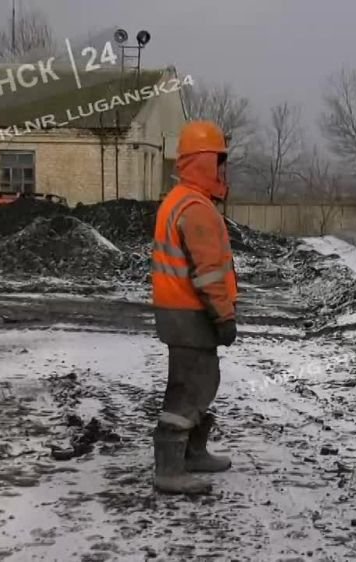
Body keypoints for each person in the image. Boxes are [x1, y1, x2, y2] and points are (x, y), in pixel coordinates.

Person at [150, 120, 239, 495]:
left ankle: (192, 452)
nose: (222, 170)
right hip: (191, 314)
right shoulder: (196, 207)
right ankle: (170, 468)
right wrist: (224, 315)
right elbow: (208, 275)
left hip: (180, 312)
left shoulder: (180, 200)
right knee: (189, 388)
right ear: (204, 161)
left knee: (202, 382)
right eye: (219, 161)